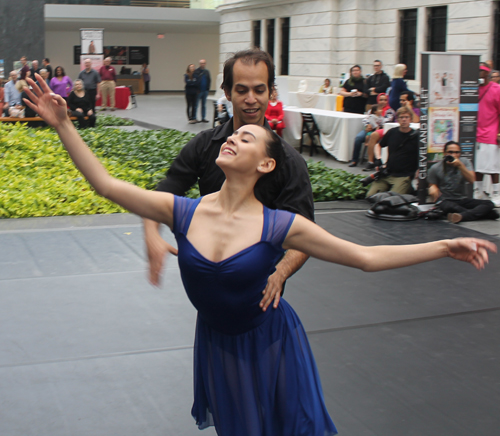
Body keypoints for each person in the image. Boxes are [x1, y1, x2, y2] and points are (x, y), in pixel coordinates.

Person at [24, 73, 496, 436]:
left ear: (266, 164)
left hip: (271, 343)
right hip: (219, 346)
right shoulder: (184, 212)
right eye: (232, 136)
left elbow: (364, 258)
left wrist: (442, 244)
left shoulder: (280, 225)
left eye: (246, 139)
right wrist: (65, 124)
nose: (232, 137)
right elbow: (106, 186)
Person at [144, 48, 314, 313]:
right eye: (242, 90)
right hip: (208, 293)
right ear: (227, 92)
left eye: (259, 90)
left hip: (259, 296)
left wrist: (279, 273)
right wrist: (151, 234)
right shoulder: (204, 146)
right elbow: (163, 193)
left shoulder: (289, 163)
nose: (251, 99)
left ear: (271, 92)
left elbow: (305, 234)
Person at [428, 141, 498, 223]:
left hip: (462, 200)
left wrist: (460, 166)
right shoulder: (435, 168)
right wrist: (433, 188)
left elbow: (471, 180)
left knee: (489, 203)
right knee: (450, 207)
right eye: (450, 152)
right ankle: (485, 214)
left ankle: (461, 216)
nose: (454, 155)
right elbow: (432, 185)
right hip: (446, 200)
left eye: (457, 152)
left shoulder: (465, 162)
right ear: (444, 153)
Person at [366, 106, 419, 197]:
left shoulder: (416, 136)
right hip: (388, 173)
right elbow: (378, 145)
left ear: (410, 119)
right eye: (401, 117)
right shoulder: (392, 132)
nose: (404, 120)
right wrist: (378, 159)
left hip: (404, 176)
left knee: (393, 200)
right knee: (370, 196)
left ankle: (408, 188)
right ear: (398, 119)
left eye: (406, 117)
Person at [475, 64, 500, 207]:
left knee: (492, 167)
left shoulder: (496, 89)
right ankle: (479, 191)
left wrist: (499, 132)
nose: (479, 74)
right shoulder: (473, 88)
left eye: (482, 72)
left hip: (491, 133)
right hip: (475, 133)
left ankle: (496, 193)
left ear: (488, 74)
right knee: (478, 166)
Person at [348, 103, 385, 167]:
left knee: (378, 141)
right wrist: (367, 125)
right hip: (369, 129)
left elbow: (386, 122)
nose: (383, 101)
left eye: (385, 100)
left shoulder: (389, 111)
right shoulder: (373, 110)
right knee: (358, 138)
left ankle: (375, 161)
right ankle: (354, 160)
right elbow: (366, 119)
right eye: (381, 100)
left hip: (380, 131)